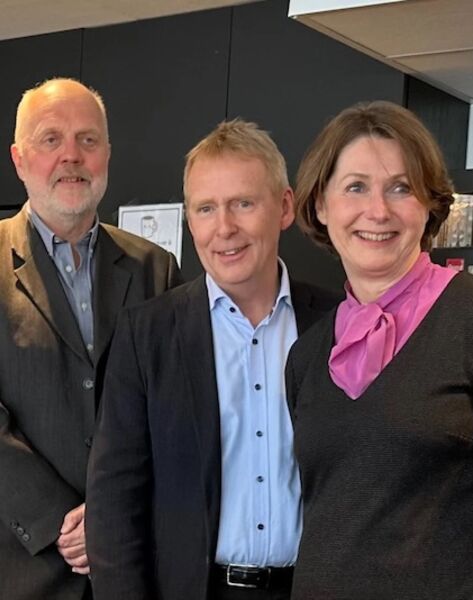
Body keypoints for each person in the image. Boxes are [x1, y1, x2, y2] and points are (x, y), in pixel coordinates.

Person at [289, 101, 473, 599]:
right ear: (320, 205)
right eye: (355, 187)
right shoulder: (307, 354)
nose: (377, 211)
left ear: (430, 204)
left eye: (401, 188)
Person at [85, 119, 339, 600]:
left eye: (243, 203)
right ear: (190, 220)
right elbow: (114, 504)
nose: (224, 228)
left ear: (285, 207)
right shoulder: (146, 334)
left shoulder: (338, 324)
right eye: (206, 208)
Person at [0, 78, 181, 600]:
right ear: (19, 159)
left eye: (88, 139)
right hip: (20, 569)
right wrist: (58, 519)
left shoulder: (157, 269)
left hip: (131, 569)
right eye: (50, 139)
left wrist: (111, 515)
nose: (72, 156)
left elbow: (173, 411)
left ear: (107, 154)